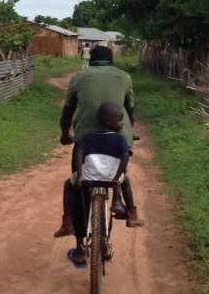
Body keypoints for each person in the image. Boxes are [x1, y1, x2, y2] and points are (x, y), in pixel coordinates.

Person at [54, 46, 143, 259]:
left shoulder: (79, 77)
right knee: (120, 175)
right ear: (111, 61)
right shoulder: (124, 77)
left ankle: (79, 248)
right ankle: (120, 202)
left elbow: (67, 111)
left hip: (86, 140)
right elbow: (130, 109)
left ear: (90, 60)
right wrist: (129, 131)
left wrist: (65, 134)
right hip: (119, 139)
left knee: (79, 189)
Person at [65, 102, 131, 265]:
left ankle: (67, 219)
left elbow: (79, 152)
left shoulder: (89, 137)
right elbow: (124, 157)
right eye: (120, 120)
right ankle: (129, 209)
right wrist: (117, 178)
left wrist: (80, 175)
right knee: (126, 180)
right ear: (110, 123)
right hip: (111, 178)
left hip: (88, 178)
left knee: (68, 184)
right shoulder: (120, 139)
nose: (122, 123)